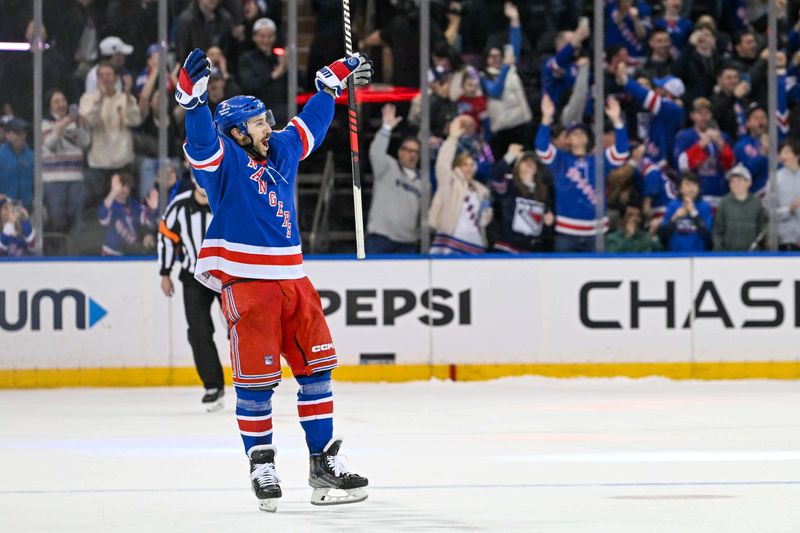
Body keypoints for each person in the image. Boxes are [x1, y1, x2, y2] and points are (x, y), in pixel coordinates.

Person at [176, 47, 372, 511]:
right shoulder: (224, 161)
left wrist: (329, 86)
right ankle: (261, 462)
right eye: (261, 122)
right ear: (238, 132)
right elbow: (201, 143)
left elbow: (311, 126)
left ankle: (322, 463)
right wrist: (193, 101)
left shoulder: (280, 149)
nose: (271, 126)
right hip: (248, 283)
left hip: (294, 278)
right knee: (256, 383)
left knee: (316, 372)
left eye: (268, 120)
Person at [158, 179, 225, 411]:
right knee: (198, 331)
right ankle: (213, 386)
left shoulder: (226, 200)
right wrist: (165, 272)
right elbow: (166, 237)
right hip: (194, 277)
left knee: (241, 330)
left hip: (228, 276)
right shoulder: (179, 207)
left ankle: (252, 381)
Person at [536, 94, 630, 252]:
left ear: (588, 139)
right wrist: (546, 118)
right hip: (567, 232)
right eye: (574, 133)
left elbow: (621, 152)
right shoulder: (560, 160)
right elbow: (542, 148)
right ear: (567, 140)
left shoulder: (598, 161)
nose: (578, 135)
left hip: (596, 233)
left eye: (582, 133)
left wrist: (617, 121)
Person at [79, 62, 142, 206]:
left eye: (108, 75)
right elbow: (89, 122)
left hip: (122, 160)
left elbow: (134, 121)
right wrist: (100, 99)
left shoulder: (125, 98)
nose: (105, 78)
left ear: (115, 78)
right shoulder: (88, 98)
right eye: (101, 75)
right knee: (98, 206)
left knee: (123, 205)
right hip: (99, 162)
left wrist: (127, 93)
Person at [366, 104, 426, 254]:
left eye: (416, 152)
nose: (412, 155)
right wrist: (386, 128)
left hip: (407, 243)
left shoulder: (422, 182)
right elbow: (376, 153)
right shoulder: (387, 167)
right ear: (399, 152)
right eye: (408, 150)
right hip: (381, 238)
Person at [429, 117, 493, 254]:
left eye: (471, 164)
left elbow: (483, 222)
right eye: (465, 164)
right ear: (458, 166)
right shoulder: (449, 183)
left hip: (475, 245)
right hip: (451, 243)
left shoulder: (481, 190)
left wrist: (486, 214)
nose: (469, 168)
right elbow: (442, 164)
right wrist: (452, 139)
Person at [489, 144, 554, 253]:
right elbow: (494, 176)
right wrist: (509, 156)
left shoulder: (544, 192)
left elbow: (544, 229)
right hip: (506, 248)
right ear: (517, 166)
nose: (529, 163)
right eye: (524, 160)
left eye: (532, 161)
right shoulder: (509, 184)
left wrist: (549, 224)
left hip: (530, 251)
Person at [42, 89, 90, 234]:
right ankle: (57, 253)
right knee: (57, 219)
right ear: (49, 106)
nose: (61, 104)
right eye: (56, 102)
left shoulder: (75, 123)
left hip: (75, 178)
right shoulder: (45, 124)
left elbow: (85, 142)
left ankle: (73, 253)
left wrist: (81, 125)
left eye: (63, 100)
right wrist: (65, 122)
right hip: (53, 180)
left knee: (76, 220)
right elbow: (50, 143)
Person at [673, 97, 735, 208]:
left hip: (719, 194)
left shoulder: (723, 137)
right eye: (699, 113)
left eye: (707, 113)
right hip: (696, 196)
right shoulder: (684, 136)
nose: (704, 117)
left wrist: (720, 144)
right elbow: (682, 164)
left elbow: (730, 166)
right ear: (692, 116)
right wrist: (702, 144)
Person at [97, 172, 159, 256]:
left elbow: (148, 221)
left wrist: (152, 209)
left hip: (129, 254)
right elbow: (102, 218)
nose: (124, 189)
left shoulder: (134, 205)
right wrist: (113, 192)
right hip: (110, 254)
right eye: (121, 186)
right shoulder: (109, 204)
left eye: (127, 186)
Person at [712, 164, 768, 251]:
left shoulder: (756, 203)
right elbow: (718, 230)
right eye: (732, 181)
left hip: (752, 256)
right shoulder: (724, 203)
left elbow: (762, 228)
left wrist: (759, 250)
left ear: (748, 182)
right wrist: (720, 250)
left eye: (739, 181)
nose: (735, 184)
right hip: (729, 255)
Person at [659, 172, 713, 252]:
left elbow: (708, 236)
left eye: (694, 184)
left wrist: (694, 213)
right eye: (687, 184)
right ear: (680, 188)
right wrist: (675, 217)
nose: (691, 188)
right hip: (675, 256)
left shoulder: (704, 207)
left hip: (699, 256)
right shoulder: (672, 206)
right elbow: (663, 236)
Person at [0, 118, 34, 210]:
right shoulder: (1, 155)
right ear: (7, 135)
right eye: (17, 133)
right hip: (4, 209)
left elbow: (37, 181)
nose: (21, 136)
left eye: (23, 133)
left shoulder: (32, 156)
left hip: (26, 208)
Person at [775, 139, 800, 251]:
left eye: (787, 152)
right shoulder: (775, 179)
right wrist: (789, 209)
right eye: (781, 152)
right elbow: (769, 212)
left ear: (797, 155)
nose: (783, 156)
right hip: (785, 239)